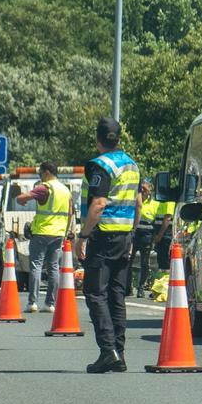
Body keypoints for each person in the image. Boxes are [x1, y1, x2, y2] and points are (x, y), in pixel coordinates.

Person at [79, 116, 140, 373]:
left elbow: (99, 204)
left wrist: (83, 236)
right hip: (124, 236)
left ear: (98, 139)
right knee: (116, 295)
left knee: (95, 293)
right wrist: (132, 233)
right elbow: (138, 203)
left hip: (103, 235)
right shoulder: (132, 165)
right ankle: (119, 353)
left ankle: (107, 351)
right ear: (119, 138)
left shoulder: (101, 166)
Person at [14, 162, 73, 313]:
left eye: (40, 173)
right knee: (53, 268)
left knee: (36, 266)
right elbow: (70, 213)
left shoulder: (45, 187)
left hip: (41, 232)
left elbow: (20, 198)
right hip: (58, 233)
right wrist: (65, 232)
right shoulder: (65, 190)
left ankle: (32, 302)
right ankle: (50, 304)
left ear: (47, 172)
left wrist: (23, 200)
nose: (39, 176)